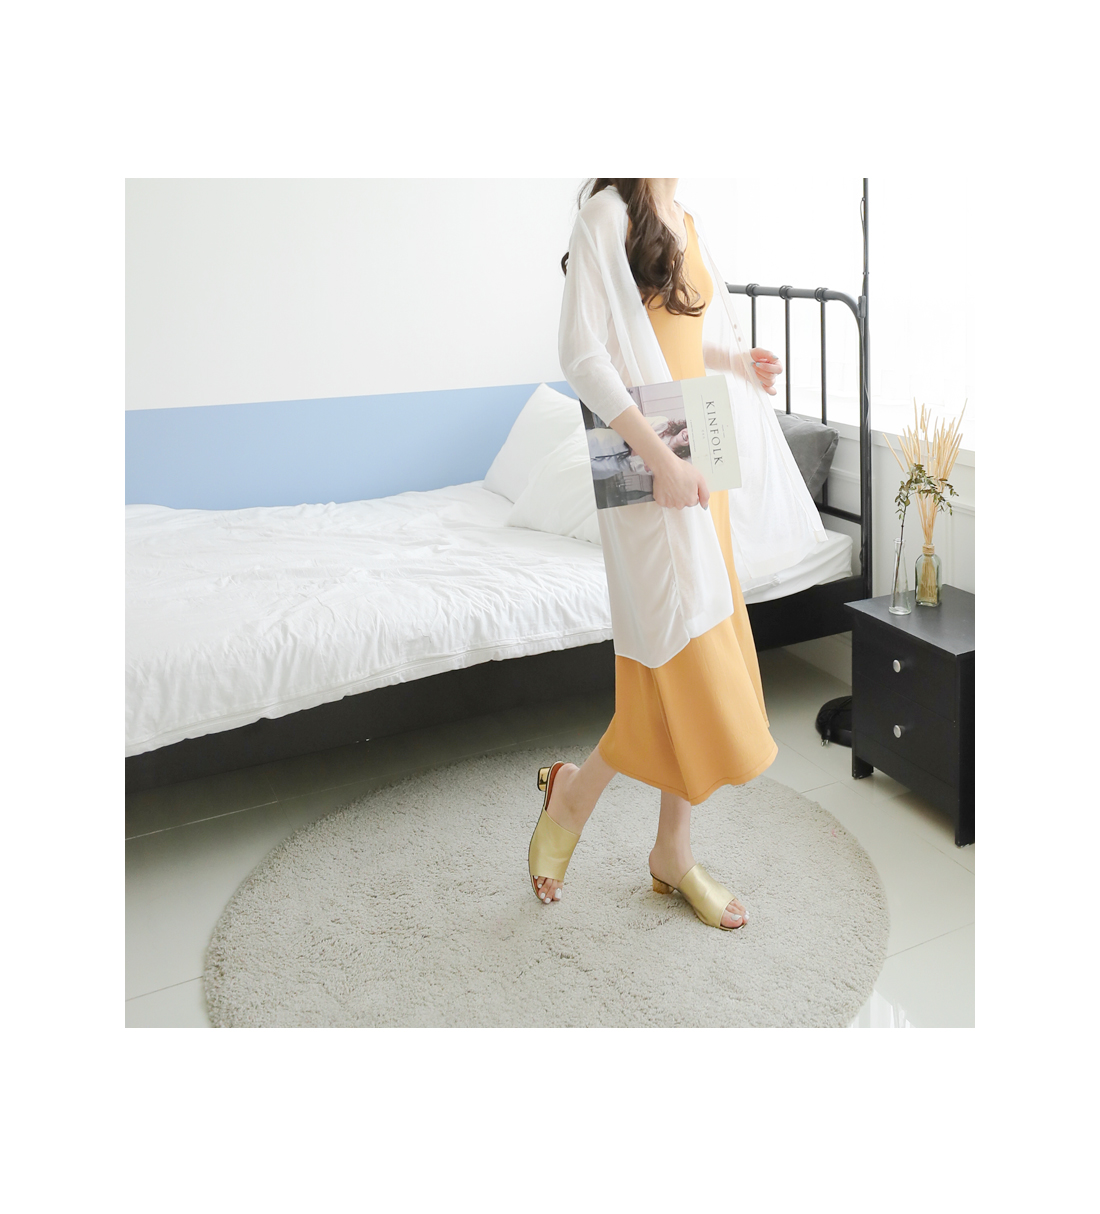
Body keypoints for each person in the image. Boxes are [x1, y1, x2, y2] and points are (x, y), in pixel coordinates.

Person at [528, 178, 802, 931]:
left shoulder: (686, 218)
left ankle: (668, 848)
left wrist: (734, 361)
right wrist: (660, 460)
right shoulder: (605, 216)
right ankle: (578, 800)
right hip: (651, 452)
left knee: (694, 641)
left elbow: (677, 333)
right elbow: (583, 355)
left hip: (699, 436)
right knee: (676, 655)